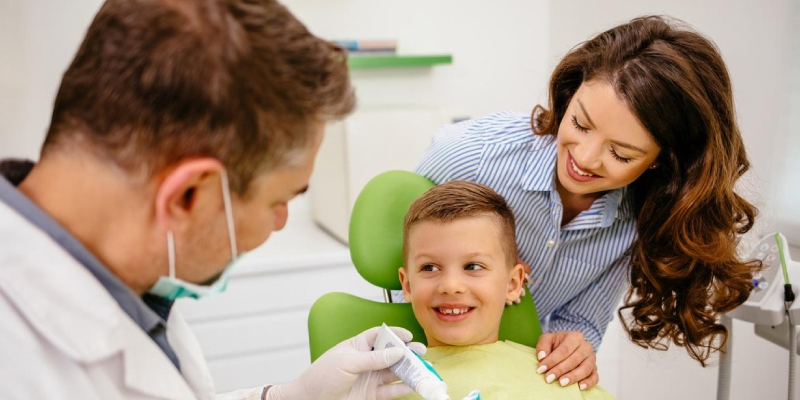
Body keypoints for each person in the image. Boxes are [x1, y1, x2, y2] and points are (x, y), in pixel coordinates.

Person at [0, 0, 422, 399]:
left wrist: (290, 396)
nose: (279, 223)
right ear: (188, 195)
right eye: (279, 200)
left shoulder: (115, 273)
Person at [406, 15, 759, 391]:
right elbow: (402, 254)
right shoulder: (470, 153)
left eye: (621, 154)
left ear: (661, 159)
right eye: (580, 123)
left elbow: (580, 320)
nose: (586, 158)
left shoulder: (637, 219)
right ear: (570, 93)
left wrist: (574, 347)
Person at [395, 180, 615, 399]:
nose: (451, 286)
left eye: (473, 266)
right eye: (430, 267)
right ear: (407, 285)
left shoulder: (559, 372)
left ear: (513, 284)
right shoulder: (385, 386)